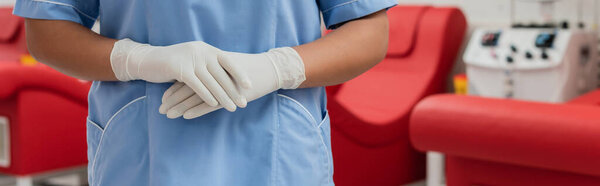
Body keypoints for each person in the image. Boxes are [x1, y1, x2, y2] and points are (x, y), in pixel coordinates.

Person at [14, 0, 396, 185]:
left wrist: (277, 68)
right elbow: (48, 28)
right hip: (142, 159)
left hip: (280, 159)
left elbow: (369, 32)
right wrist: (141, 60)